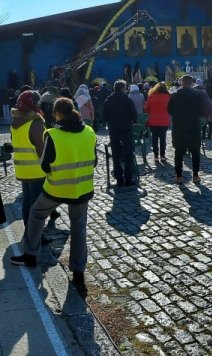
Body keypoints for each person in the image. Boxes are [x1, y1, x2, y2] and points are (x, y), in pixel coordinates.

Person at [10, 98, 95, 294]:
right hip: (81, 189)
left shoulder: (52, 135)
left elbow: (44, 165)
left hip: (56, 189)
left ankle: (30, 255)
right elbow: (95, 160)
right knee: (79, 228)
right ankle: (78, 273)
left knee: (37, 214)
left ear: (57, 114)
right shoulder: (89, 133)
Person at [9, 91, 49, 233]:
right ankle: (36, 234)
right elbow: (41, 148)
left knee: (27, 201)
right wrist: (49, 167)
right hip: (36, 170)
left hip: (22, 169)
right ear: (34, 103)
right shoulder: (36, 122)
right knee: (37, 205)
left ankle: (28, 230)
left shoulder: (15, 122)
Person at [167, 75, 207, 184]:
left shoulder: (175, 95)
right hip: (193, 125)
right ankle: (195, 175)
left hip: (179, 126)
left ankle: (179, 176)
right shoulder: (197, 95)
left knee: (179, 151)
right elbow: (201, 110)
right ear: (191, 82)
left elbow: (169, 110)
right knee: (195, 151)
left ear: (181, 82)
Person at [102, 80, 139, 188]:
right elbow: (134, 116)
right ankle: (128, 178)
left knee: (116, 154)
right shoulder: (127, 100)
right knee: (128, 155)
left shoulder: (108, 101)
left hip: (113, 130)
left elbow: (104, 118)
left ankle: (119, 179)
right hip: (126, 129)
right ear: (123, 88)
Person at [144, 81, 171, 166]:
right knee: (163, 138)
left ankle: (156, 156)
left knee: (154, 139)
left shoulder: (152, 96)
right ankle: (162, 155)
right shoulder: (168, 97)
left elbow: (146, 108)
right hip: (164, 120)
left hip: (153, 121)